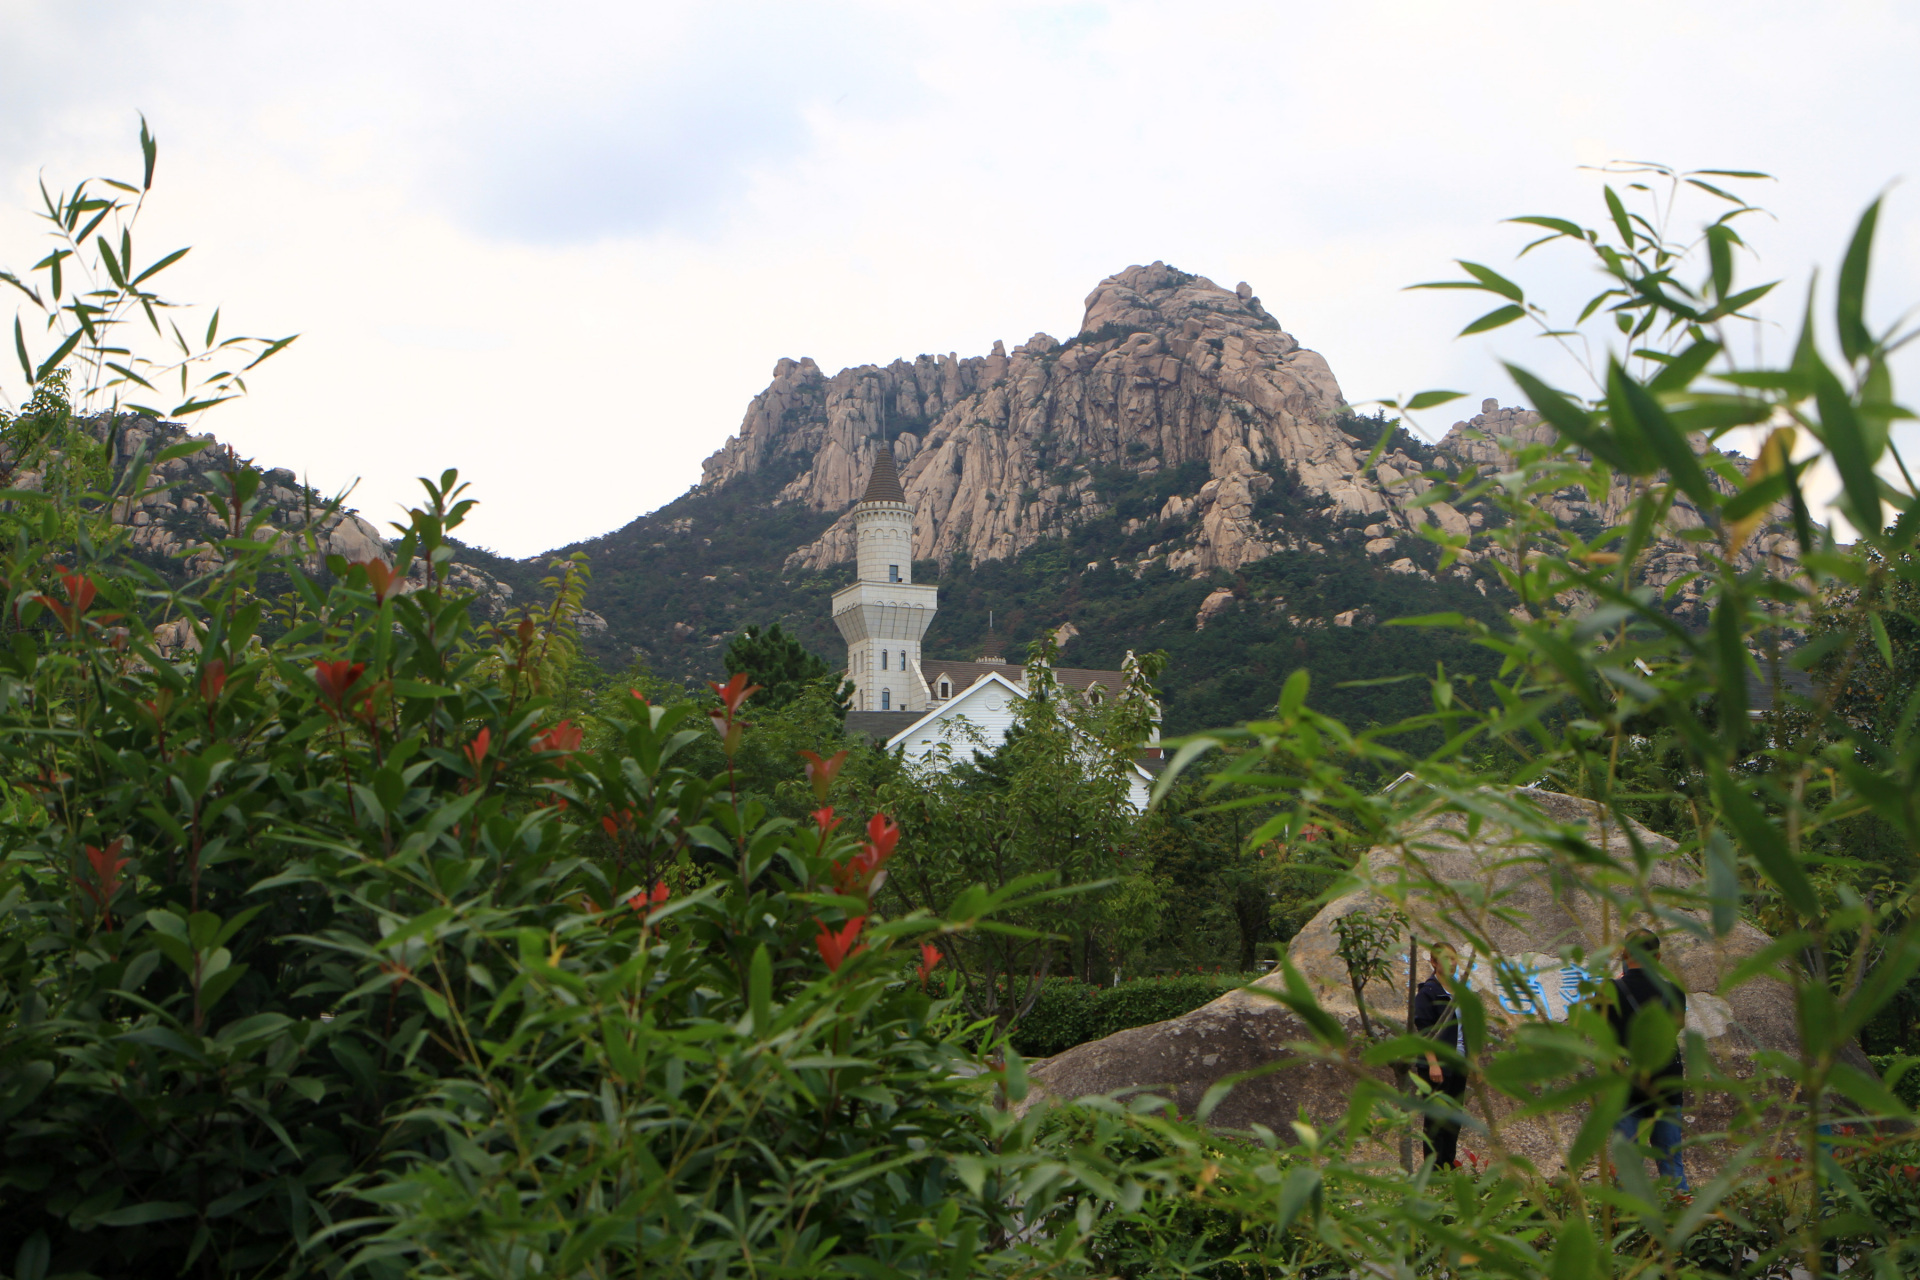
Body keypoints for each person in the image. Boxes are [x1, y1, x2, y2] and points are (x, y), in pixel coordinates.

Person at [1605, 929, 1689, 1192]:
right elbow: (1676, 1027)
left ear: (1624, 954)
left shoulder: (1608, 991)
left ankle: (1627, 1215)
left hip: (1626, 1087)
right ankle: (1679, 1212)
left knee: (1628, 1165)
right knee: (1671, 1162)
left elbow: (1601, 1033)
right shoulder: (1674, 992)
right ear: (1658, 957)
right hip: (1666, 1085)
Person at [1411, 945, 1468, 1168]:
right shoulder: (1428, 992)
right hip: (1437, 1066)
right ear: (1434, 963)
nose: (1451, 964)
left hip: (1459, 1063)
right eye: (1445, 959)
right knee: (1436, 1120)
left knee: (1453, 1118)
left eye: (1453, 958)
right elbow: (1424, 1032)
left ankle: (1448, 1166)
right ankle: (1434, 1170)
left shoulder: (1460, 991)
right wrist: (1433, 1064)